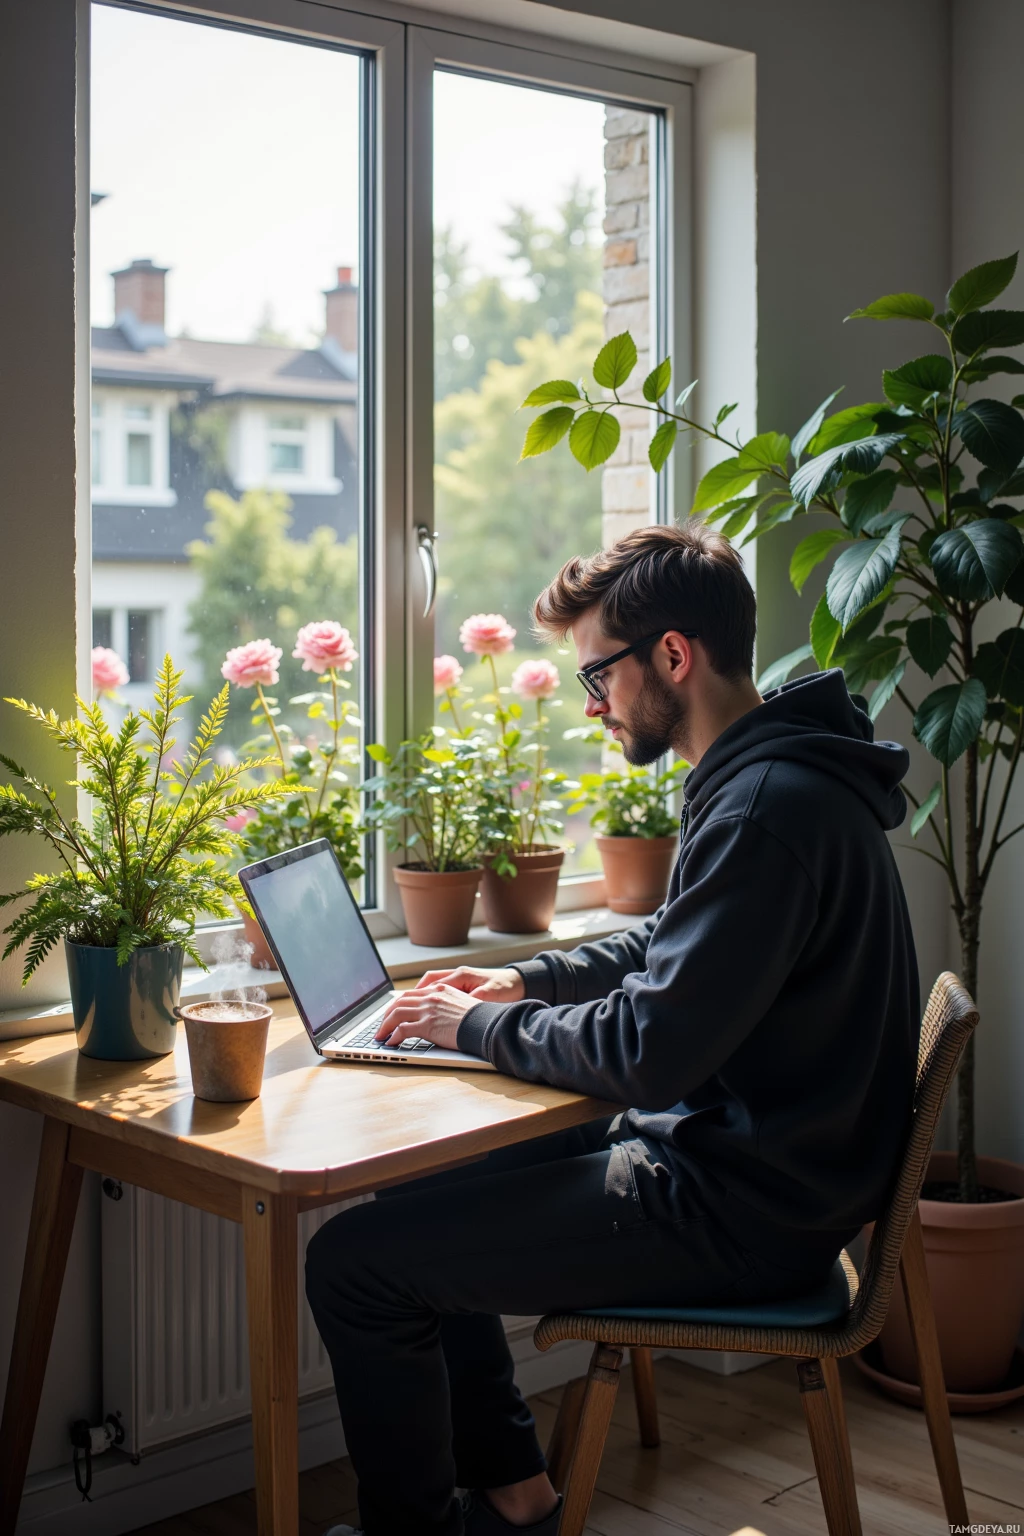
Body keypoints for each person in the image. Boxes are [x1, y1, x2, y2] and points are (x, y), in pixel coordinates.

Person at [306, 522, 920, 1536]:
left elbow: (648, 1050)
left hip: (740, 1211)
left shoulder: (763, 810)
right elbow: (661, 953)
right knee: (420, 1180)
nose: (592, 706)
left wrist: (469, 1028)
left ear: (671, 655)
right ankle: (515, 1494)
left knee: (353, 1267)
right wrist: (518, 983)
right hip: (758, 1170)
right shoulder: (777, 776)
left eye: (598, 678)